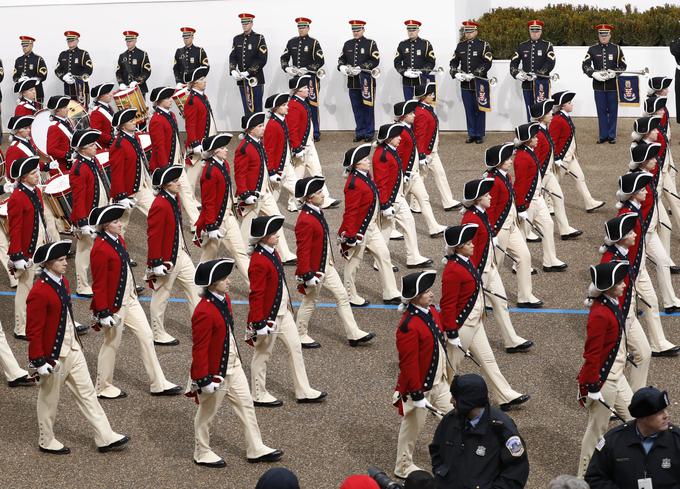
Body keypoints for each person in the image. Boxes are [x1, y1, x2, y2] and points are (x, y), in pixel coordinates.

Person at [26, 239, 129, 455]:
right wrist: (38, 361)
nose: (66, 263)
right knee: (49, 400)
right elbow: (34, 330)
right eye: (61, 260)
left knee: (88, 394)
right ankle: (46, 439)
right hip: (54, 355)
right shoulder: (39, 292)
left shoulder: (62, 282)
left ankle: (104, 435)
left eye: (65, 259)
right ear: (48, 264)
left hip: (72, 348)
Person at [190, 259, 282, 468]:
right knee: (207, 413)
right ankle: (201, 451)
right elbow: (200, 348)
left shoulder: (224, 299)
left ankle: (255, 447)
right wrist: (203, 379)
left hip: (233, 364)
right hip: (215, 372)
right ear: (213, 283)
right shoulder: (203, 311)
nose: (228, 282)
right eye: (223, 279)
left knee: (246, 404)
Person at [89, 204, 181, 399]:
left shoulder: (117, 239)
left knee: (147, 335)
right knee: (111, 343)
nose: (121, 224)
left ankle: (158, 383)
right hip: (115, 304)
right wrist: (103, 312)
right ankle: (102, 386)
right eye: (115, 221)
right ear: (105, 226)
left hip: (129, 298)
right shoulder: (100, 248)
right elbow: (99, 284)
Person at [439, 224, 530, 410]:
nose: (473, 245)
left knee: (488, 360)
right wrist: (451, 332)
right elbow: (448, 304)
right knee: (450, 366)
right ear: (458, 247)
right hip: (462, 324)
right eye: (468, 243)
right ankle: (441, 399)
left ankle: (504, 395)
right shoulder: (452, 270)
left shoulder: (464, 261)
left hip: (474, 320)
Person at [247, 215, 327, 407]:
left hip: (283, 312)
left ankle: (303, 390)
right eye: (273, 234)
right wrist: (259, 322)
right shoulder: (258, 261)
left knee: (296, 348)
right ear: (263, 237)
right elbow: (256, 294)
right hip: (269, 317)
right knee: (263, 354)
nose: (278, 236)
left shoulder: (272, 252)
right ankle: (258, 393)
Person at [294, 176, 375, 349]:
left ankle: (353, 333)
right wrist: (307, 274)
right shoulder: (305, 220)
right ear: (309, 197)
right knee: (310, 301)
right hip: (315, 270)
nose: (323, 195)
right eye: (318, 193)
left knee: (342, 296)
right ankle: (300, 334)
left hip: (325, 266)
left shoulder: (315, 210)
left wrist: (328, 257)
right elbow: (303, 251)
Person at [460, 178, 533, 353]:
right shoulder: (471, 219)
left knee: (501, 302)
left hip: (489, 267)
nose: (490, 197)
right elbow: (469, 251)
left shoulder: (480, 213)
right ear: (478, 199)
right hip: (479, 271)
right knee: (472, 312)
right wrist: (474, 275)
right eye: (486, 195)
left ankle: (511, 340)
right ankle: (458, 342)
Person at [392, 270, 453, 479]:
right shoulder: (407, 326)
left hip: (439, 381)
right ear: (416, 296)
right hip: (421, 387)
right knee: (412, 430)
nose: (431, 294)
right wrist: (417, 394)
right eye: (427, 292)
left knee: (452, 418)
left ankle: (454, 455)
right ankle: (402, 466)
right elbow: (408, 364)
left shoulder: (431, 312)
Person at [576, 260, 634, 477]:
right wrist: (591, 385)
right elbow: (592, 354)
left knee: (635, 419)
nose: (624, 285)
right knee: (596, 431)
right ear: (608, 286)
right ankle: (582, 477)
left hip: (616, 375)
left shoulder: (611, 303)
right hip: (604, 380)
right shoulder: (600, 314)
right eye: (619, 283)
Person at [616, 168, 680, 356]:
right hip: (630, 270)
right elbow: (624, 249)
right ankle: (620, 348)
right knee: (625, 311)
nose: (647, 191)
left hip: (638, 265)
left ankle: (657, 342)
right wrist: (631, 274)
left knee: (649, 300)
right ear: (634, 193)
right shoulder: (627, 215)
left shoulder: (635, 209)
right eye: (642, 189)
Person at [429, 374, 530, 488]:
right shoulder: (451, 419)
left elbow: (516, 472)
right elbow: (436, 449)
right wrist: (442, 477)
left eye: (455, 397)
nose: (451, 401)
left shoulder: (502, 429)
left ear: (468, 401)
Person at [338, 144, 401, 307]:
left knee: (384, 254)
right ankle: (350, 295)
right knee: (353, 264)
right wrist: (351, 235)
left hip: (371, 227)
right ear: (357, 164)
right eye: (365, 159)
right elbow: (351, 211)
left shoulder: (364, 176)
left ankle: (390, 292)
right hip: (360, 230)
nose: (368, 161)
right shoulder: (353, 184)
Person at [598, 213, 653, 392]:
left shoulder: (622, 254)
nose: (635, 235)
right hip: (618, 316)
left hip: (628, 312)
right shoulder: (611, 261)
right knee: (617, 361)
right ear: (621, 238)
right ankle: (613, 400)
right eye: (630, 233)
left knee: (644, 353)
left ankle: (636, 399)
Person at [146, 165, 201, 346]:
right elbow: (154, 236)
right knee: (161, 296)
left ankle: (200, 329)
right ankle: (157, 332)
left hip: (179, 253)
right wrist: (156, 263)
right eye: (174, 181)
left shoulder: (172, 198)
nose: (179, 183)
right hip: (166, 259)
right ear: (165, 184)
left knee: (196, 289)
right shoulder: (160, 205)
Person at [586, 386, 680, 488]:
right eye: (659, 412)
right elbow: (594, 478)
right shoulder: (613, 441)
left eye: (665, 409)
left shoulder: (677, 439)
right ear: (643, 417)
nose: (666, 415)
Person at [484, 143, 542, 308]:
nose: (511, 161)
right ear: (498, 162)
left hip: (511, 225)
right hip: (499, 229)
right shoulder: (492, 180)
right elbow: (491, 209)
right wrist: (492, 233)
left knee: (524, 257)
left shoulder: (505, 176)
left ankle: (525, 296)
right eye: (507, 159)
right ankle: (486, 297)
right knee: (494, 265)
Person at [234, 112, 297, 263]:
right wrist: (244, 194)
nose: (263, 128)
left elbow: (263, 163)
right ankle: (242, 257)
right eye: (260, 126)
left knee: (276, 220)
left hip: (264, 192)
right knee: (246, 227)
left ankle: (284, 254)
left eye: (262, 125)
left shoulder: (257, 142)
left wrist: (272, 174)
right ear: (250, 129)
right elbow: (240, 174)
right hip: (252, 195)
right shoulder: (244, 148)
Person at [373, 122, 432, 268]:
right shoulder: (382, 155)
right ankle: (380, 261)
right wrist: (386, 204)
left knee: (407, 223)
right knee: (386, 230)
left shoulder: (390, 150)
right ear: (388, 138)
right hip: (392, 200)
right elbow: (382, 183)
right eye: (396, 136)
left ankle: (412, 257)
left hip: (396, 197)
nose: (400, 138)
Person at [195, 133, 251, 283]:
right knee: (208, 257)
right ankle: (198, 284)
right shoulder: (209, 172)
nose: (226, 150)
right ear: (214, 151)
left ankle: (255, 286)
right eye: (222, 148)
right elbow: (208, 202)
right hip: (216, 221)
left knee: (240, 252)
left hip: (228, 216)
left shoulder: (223, 164)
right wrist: (212, 226)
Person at [512, 122, 567, 272]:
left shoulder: (529, 152)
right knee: (522, 233)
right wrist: (521, 206)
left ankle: (550, 260)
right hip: (528, 202)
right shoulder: (522, 158)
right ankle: (518, 264)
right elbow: (521, 184)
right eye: (534, 137)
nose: (537, 139)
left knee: (548, 225)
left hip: (537, 198)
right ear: (528, 140)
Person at [8, 156, 49, 340]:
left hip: (39, 242)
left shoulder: (35, 191)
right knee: (24, 288)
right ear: (23, 178)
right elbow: (15, 229)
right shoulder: (17, 197)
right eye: (33, 173)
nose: (37, 175)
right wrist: (18, 256)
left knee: (37, 285)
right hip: (26, 250)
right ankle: (20, 327)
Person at [148, 85, 201, 226]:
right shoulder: (156, 120)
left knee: (186, 192)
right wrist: (166, 170)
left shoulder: (170, 115)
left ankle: (195, 223)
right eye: (167, 98)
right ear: (159, 101)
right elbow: (159, 147)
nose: (171, 100)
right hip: (167, 165)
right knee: (167, 197)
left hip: (176, 162)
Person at [531, 99, 583, 241]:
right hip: (541, 175)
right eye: (548, 113)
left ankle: (565, 229)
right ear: (541, 116)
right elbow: (536, 158)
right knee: (531, 205)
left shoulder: (544, 129)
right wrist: (538, 177)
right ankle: (526, 231)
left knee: (559, 197)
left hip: (548, 172)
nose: (551, 114)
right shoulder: (538, 133)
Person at [287, 75, 340, 209]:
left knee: (317, 171)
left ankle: (324, 199)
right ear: (297, 90)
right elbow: (293, 130)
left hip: (308, 144)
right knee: (298, 174)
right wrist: (297, 148)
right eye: (304, 87)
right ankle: (293, 202)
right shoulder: (293, 105)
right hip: (302, 146)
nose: (308, 90)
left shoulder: (301, 102)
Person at [394, 100, 445, 238]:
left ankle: (433, 227)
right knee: (395, 204)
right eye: (411, 113)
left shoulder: (407, 129)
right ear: (403, 116)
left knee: (424, 198)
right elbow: (397, 156)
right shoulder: (399, 132)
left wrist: (420, 158)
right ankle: (387, 230)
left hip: (413, 174)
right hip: (405, 175)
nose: (414, 115)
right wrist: (402, 174)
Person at [549, 90, 604, 212]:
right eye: (569, 102)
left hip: (570, 156)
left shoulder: (565, 117)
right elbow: (553, 141)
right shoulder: (557, 120)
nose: (572, 104)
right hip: (562, 158)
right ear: (563, 105)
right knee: (554, 182)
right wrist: (557, 158)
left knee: (580, 177)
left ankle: (589, 202)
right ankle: (549, 205)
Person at [70, 129, 108, 298]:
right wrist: (82, 223)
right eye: (92, 145)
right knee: (84, 252)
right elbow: (78, 199)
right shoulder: (79, 168)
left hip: (98, 211)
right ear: (83, 149)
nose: (96, 147)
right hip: (87, 217)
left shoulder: (92, 161)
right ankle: (82, 285)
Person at [413, 82, 459, 211]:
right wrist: (421, 155)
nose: (433, 96)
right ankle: (415, 205)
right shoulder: (421, 113)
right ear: (423, 96)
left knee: (440, 175)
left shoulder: (426, 108)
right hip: (426, 152)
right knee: (420, 178)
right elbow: (420, 135)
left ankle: (448, 201)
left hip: (432, 151)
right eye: (430, 94)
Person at [109, 107, 154, 233]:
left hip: (141, 187)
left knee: (157, 211)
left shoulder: (135, 138)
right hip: (127, 192)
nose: (134, 122)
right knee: (120, 226)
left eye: (133, 119)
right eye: (130, 121)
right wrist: (121, 196)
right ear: (122, 127)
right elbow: (117, 173)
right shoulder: (118, 145)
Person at [280, 17, 324, 141]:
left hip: (310, 79)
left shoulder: (314, 43)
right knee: (296, 106)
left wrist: (308, 68)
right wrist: (286, 67)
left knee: (313, 105)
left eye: (303, 27)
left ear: (308, 28)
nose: (301, 29)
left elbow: (320, 60)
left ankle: (315, 132)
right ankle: (301, 131)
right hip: (296, 79)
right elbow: (284, 57)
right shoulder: (291, 42)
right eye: (299, 27)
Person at [582, 24, 626, 144]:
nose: (604, 37)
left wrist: (615, 73)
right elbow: (585, 65)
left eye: (606, 34)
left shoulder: (617, 49)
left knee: (612, 111)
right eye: (602, 34)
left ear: (610, 35)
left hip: (613, 85)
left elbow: (623, 66)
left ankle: (612, 136)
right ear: (598, 35)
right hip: (598, 85)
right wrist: (592, 74)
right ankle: (603, 135)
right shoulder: (592, 49)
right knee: (601, 111)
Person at [450, 21, 493, 144]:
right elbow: (453, 61)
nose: (468, 34)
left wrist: (475, 74)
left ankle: (479, 134)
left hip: (480, 84)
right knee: (468, 109)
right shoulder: (460, 46)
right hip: (465, 84)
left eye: (470, 31)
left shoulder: (484, 45)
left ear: (476, 31)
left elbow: (487, 62)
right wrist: (455, 73)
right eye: (466, 31)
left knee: (480, 108)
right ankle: (471, 133)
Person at [338, 19, 380, 142]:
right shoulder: (347, 44)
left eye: (358, 30)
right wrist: (342, 67)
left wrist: (361, 68)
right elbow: (341, 59)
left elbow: (375, 60)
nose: (355, 32)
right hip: (352, 82)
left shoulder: (371, 43)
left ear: (363, 29)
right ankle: (360, 132)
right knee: (356, 108)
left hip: (367, 81)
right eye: (354, 30)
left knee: (368, 108)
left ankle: (369, 133)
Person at [509, 20, 556, 121]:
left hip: (542, 83)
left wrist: (539, 74)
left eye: (537, 30)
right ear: (529, 31)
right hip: (527, 83)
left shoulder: (547, 45)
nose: (535, 33)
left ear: (541, 31)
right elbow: (513, 63)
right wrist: (516, 73)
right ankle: (532, 132)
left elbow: (550, 62)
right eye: (532, 31)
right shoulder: (522, 46)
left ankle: (543, 132)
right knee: (529, 109)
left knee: (542, 109)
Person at [263, 92, 297, 213]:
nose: (287, 107)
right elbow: (269, 150)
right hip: (278, 167)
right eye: (283, 105)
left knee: (298, 190)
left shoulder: (281, 120)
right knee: (271, 198)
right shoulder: (272, 125)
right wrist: (272, 172)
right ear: (276, 108)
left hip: (286, 164)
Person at [229, 13, 268, 117]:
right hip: (242, 79)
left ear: (251, 23)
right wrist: (232, 69)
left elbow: (262, 58)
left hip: (256, 79)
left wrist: (249, 72)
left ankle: (259, 132)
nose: (244, 25)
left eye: (247, 23)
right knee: (246, 106)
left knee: (257, 107)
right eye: (243, 23)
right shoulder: (237, 39)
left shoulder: (259, 38)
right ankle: (249, 131)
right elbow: (233, 56)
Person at [394, 20, 435, 100]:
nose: (411, 32)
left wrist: (422, 71)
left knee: (422, 106)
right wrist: (404, 72)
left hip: (422, 80)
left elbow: (431, 62)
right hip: (407, 80)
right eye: (409, 30)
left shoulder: (426, 44)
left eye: (413, 30)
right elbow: (397, 61)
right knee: (409, 105)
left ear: (418, 30)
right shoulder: (402, 44)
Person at [54, 31, 93, 103]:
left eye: (72, 40)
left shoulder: (83, 53)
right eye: (68, 40)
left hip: (81, 88)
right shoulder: (63, 54)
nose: (70, 42)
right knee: (68, 109)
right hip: (68, 88)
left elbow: (89, 69)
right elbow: (57, 70)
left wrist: (78, 78)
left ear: (77, 41)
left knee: (82, 109)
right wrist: (63, 77)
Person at [13, 35, 48, 105]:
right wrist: (19, 79)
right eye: (23, 46)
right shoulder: (18, 60)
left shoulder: (38, 59)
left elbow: (43, 74)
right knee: (24, 113)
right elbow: (15, 76)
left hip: (36, 92)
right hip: (23, 94)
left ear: (31, 45)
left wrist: (33, 80)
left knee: (37, 114)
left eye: (26, 46)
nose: (24, 48)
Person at [115, 31, 151, 97]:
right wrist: (121, 83)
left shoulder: (142, 54)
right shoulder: (122, 56)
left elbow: (147, 71)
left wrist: (137, 81)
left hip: (139, 89)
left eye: (130, 41)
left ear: (135, 41)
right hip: (126, 89)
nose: (128, 43)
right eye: (127, 41)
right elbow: (118, 72)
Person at [45, 95, 75, 174]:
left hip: (69, 164)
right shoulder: (54, 127)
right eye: (65, 108)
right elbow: (50, 149)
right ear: (57, 111)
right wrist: (67, 155)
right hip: (61, 168)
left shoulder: (66, 122)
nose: (68, 109)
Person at [88, 83, 115, 149]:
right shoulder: (96, 112)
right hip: (106, 146)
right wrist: (111, 139)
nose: (111, 95)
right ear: (101, 96)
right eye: (108, 93)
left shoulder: (107, 106)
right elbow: (97, 132)